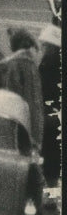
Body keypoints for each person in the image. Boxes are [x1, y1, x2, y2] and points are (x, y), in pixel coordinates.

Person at [0, 28, 44, 149]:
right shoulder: (31, 65)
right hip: (31, 119)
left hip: (17, 120)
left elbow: (11, 94)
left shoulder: (15, 65)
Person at [38, 23, 61, 189]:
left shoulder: (51, 63)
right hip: (52, 112)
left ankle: (50, 189)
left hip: (50, 114)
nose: (42, 48)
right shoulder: (50, 61)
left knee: (50, 152)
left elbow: (47, 88)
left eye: (45, 45)